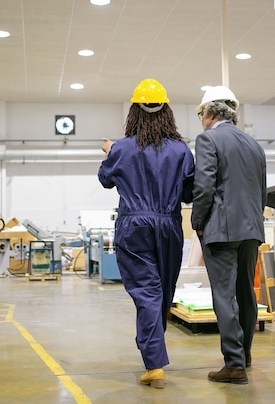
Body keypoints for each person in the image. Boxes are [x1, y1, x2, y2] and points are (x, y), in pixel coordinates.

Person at [98, 78, 194, 389]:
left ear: (134, 112)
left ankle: (154, 363)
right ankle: (153, 355)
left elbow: (105, 179)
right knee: (161, 291)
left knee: (148, 293)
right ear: (167, 111)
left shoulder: (122, 148)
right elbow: (190, 193)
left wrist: (109, 152)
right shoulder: (181, 150)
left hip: (134, 226)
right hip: (168, 225)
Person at [190, 86, 267, 385]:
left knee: (224, 295)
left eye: (200, 114)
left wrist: (198, 222)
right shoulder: (254, 145)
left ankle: (234, 364)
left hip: (220, 229)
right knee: (246, 292)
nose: (201, 120)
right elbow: (261, 191)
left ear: (210, 113)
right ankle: (244, 355)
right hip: (250, 228)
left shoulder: (208, 139)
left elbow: (204, 186)